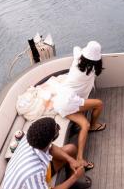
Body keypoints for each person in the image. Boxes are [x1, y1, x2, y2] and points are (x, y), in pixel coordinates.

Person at [0, 117, 87, 189]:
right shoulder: (33, 171)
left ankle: (70, 181)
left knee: (71, 149)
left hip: (37, 174)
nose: (58, 127)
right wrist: (74, 177)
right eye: (56, 128)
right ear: (50, 139)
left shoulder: (30, 137)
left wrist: (71, 161)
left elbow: (51, 148)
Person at [43, 41, 106, 172]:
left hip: (60, 101)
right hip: (70, 101)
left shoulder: (77, 60)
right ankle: (93, 125)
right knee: (99, 104)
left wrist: (82, 52)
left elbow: (76, 47)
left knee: (84, 124)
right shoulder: (90, 71)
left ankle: (80, 158)